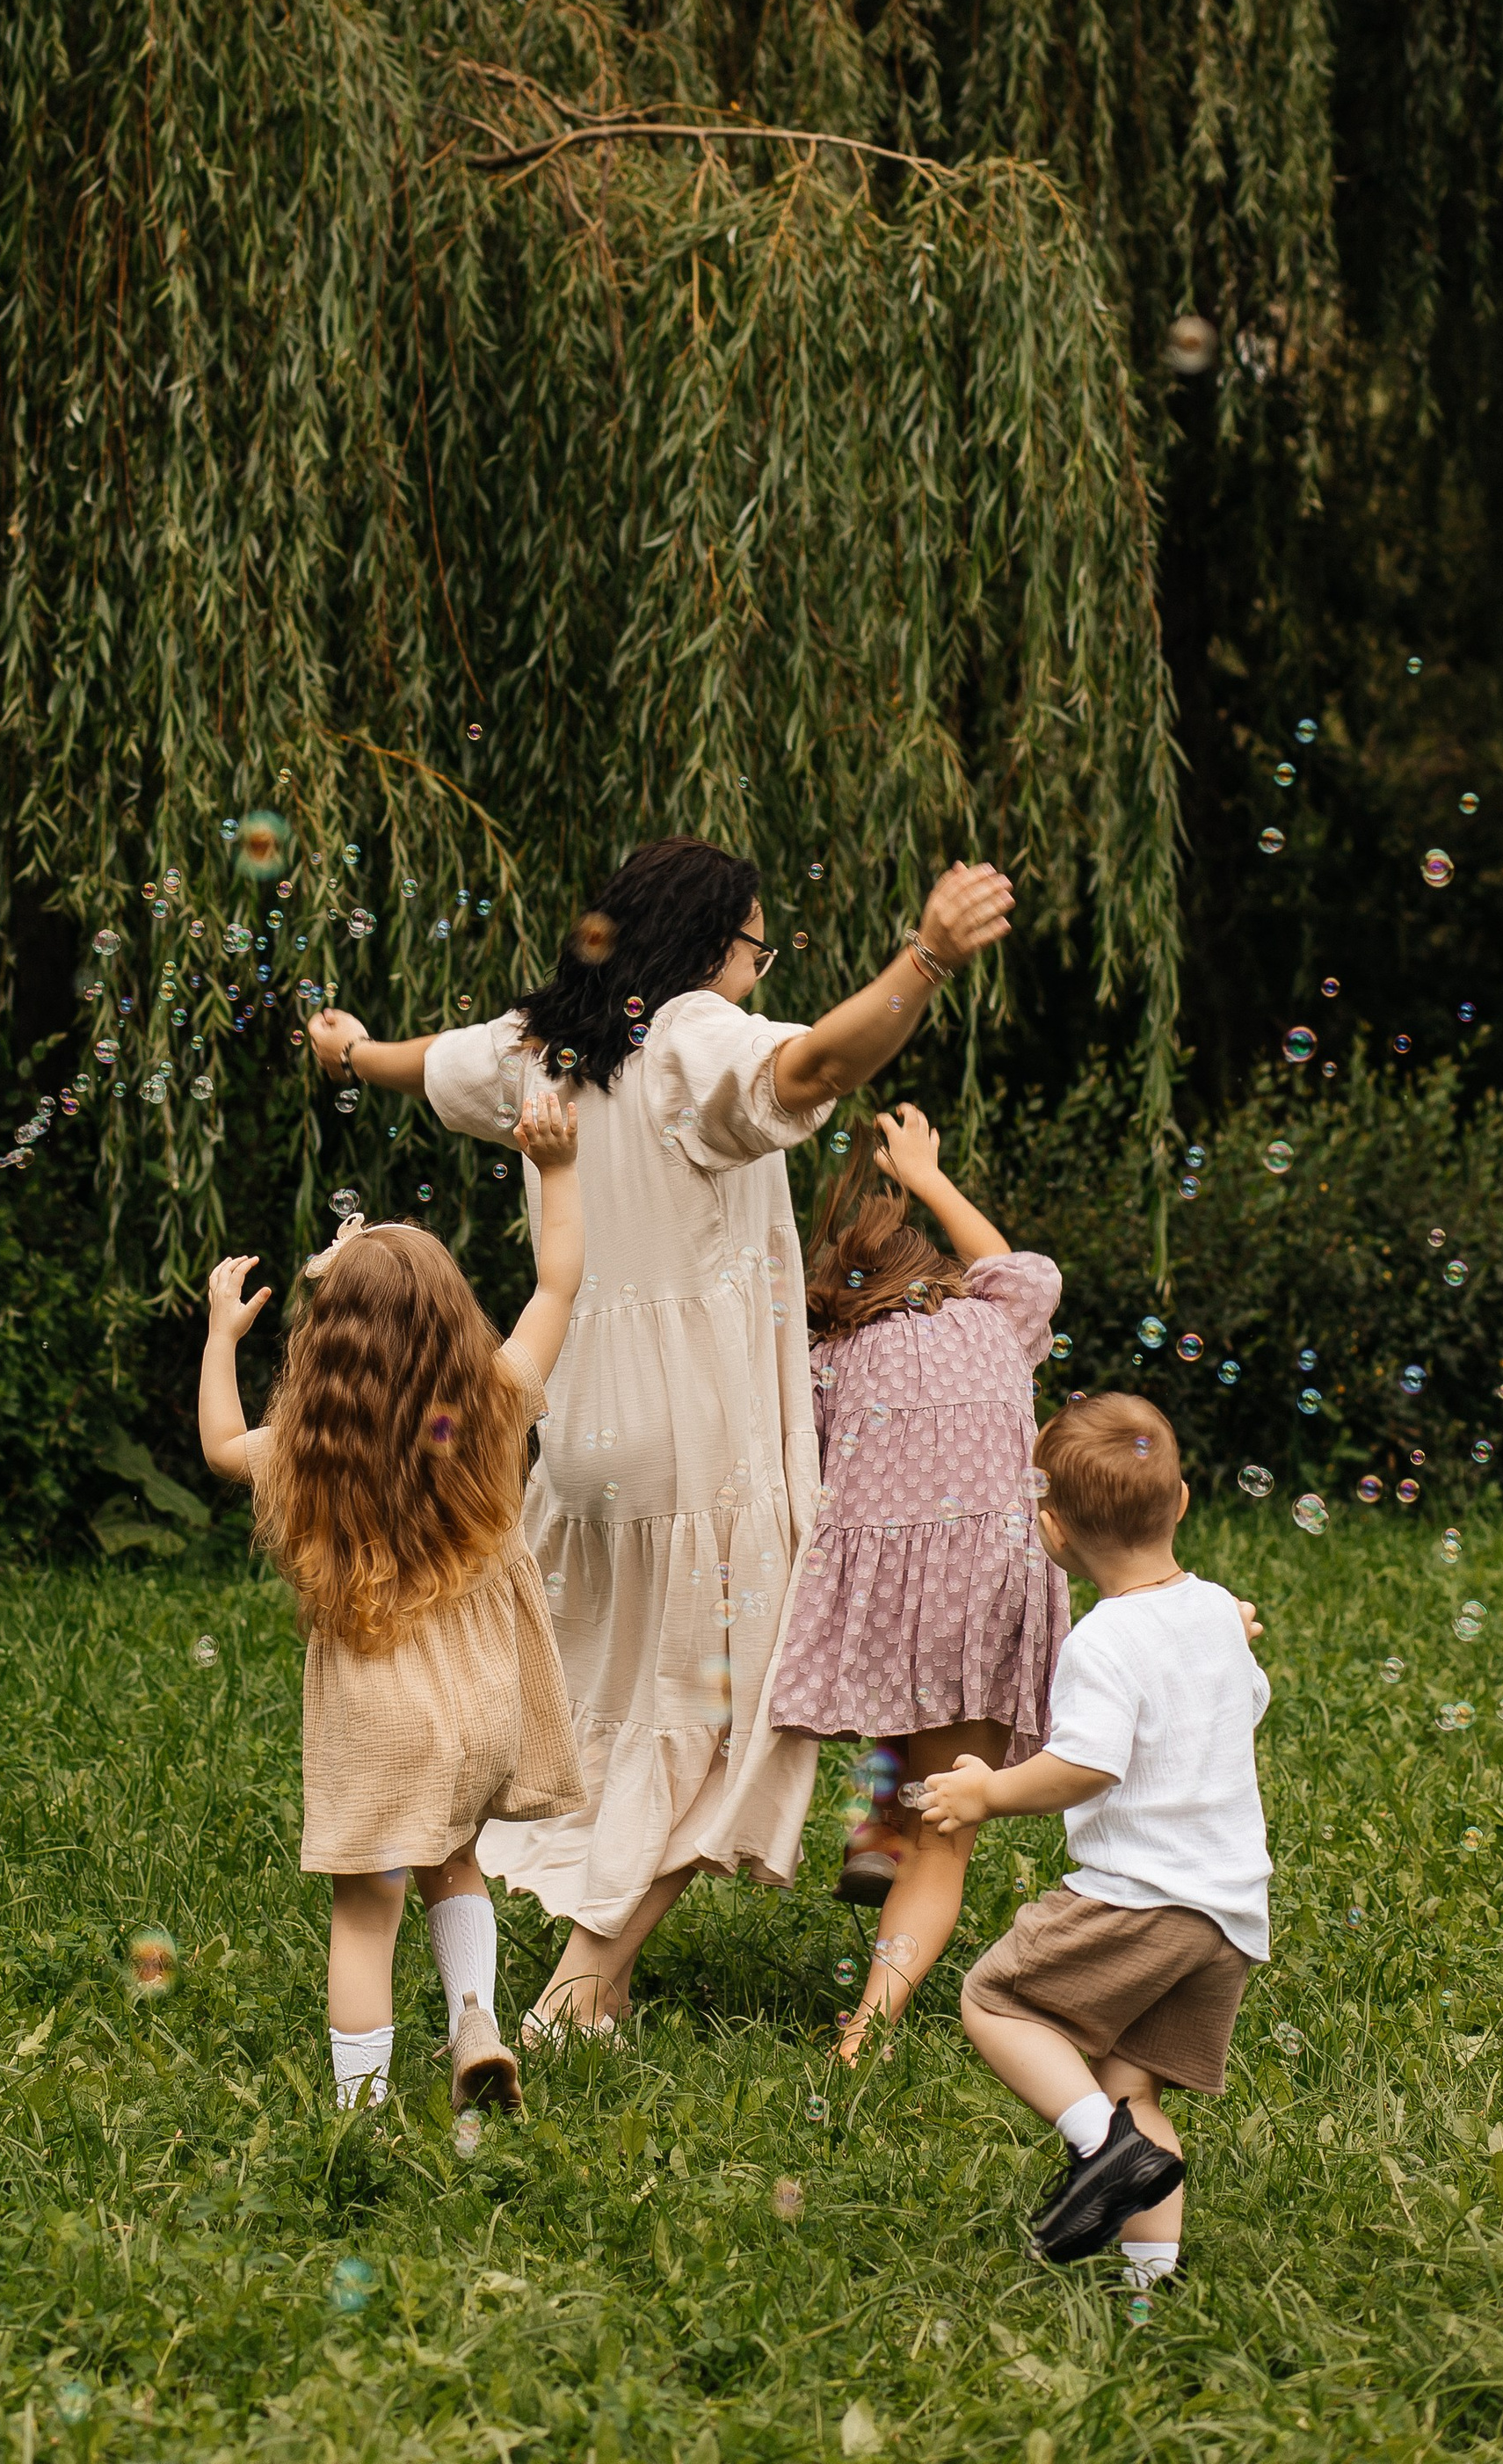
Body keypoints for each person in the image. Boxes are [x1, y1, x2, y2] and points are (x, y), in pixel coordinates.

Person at [308, 833, 1013, 2037]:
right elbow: (816, 1064)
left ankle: (465, 1885)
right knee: (725, 1719)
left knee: (594, 1692)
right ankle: (583, 1987)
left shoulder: (541, 1043)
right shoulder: (693, 1035)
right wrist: (926, 962)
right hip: (706, 1450)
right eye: (754, 945)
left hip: (578, 1432)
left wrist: (346, 1050)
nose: (760, 966)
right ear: (704, 947)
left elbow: (426, 1062)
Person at [198, 1087, 584, 2113]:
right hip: (479, 1710)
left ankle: (358, 2123)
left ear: (330, 1344)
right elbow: (558, 1281)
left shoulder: (309, 1451)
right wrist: (555, 1169)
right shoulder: (495, 1406)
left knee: (365, 1914)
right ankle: (475, 2025)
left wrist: (220, 1335)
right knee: (454, 1862)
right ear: (455, 1319)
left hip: (377, 1721)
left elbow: (217, 1446)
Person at [919, 1393, 1269, 2280]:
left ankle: (1101, 2153)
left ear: (1050, 1532)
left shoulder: (1103, 1638)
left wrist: (990, 1791)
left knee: (994, 2002)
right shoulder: (1218, 1612)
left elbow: (1087, 1763)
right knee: (1130, 2083)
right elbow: (1247, 1702)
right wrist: (1225, 1640)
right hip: (1224, 1913)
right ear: (1182, 1501)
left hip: (1140, 1897)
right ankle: (1150, 2283)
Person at [768, 1101, 1068, 2064]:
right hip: (989, 1590)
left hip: (888, 1604)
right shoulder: (994, 1319)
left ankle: (873, 1817)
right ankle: (867, 2028)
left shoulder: (825, 1361)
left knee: (903, 1693)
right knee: (948, 1828)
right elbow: (1022, 1270)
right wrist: (930, 1179)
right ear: (943, 1279)